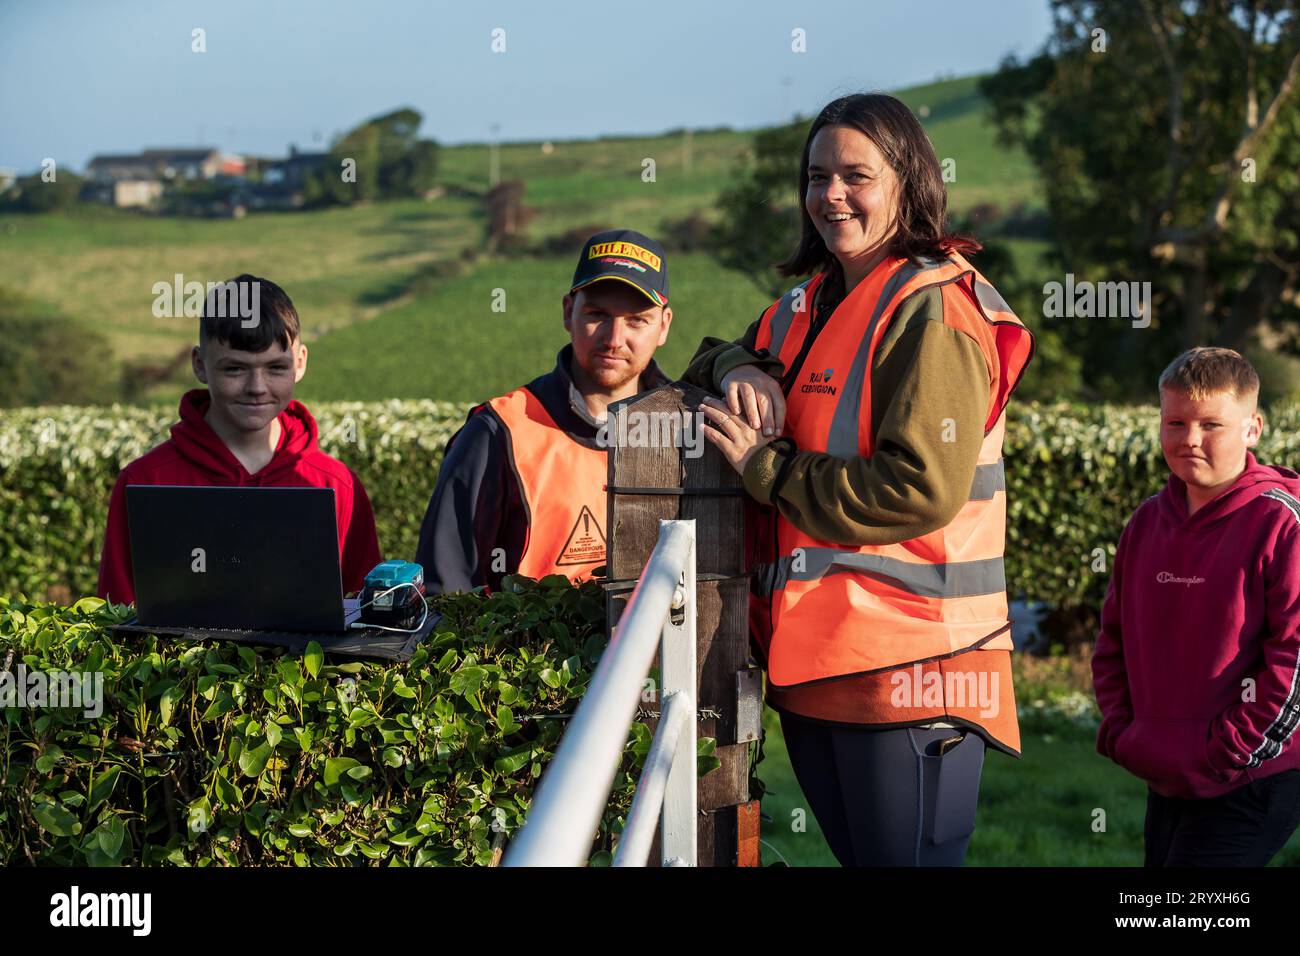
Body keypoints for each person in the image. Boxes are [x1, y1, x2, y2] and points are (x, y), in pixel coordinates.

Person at [681, 93, 1035, 866]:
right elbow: (707, 356)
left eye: (855, 175)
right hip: (820, 677)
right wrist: (742, 366)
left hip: (914, 676)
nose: (830, 195)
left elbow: (918, 488)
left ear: (908, 183)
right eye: (816, 176)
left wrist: (765, 469)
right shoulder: (806, 306)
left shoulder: (931, 308)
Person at [1092, 347, 1300, 866]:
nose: (1189, 438)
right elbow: (1113, 638)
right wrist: (1125, 733)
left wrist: (1229, 749)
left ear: (1253, 428)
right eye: (1175, 422)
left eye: (1212, 424)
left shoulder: (1283, 524)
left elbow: (1294, 657)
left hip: (1251, 774)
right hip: (1164, 772)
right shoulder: (1145, 523)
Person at [97, 275, 381, 604]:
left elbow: (365, 618)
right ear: (200, 366)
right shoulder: (144, 482)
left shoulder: (337, 486)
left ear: (300, 362)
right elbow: (116, 622)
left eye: (276, 367)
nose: (256, 387)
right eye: (234, 369)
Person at [416, 229, 672, 593]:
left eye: (637, 320)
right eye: (598, 314)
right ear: (569, 312)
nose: (614, 339)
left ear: (663, 326)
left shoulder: (689, 429)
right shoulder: (498, 431)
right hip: (534, 650)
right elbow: (445, 591)